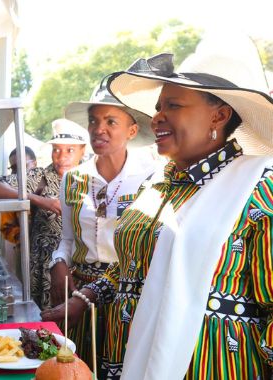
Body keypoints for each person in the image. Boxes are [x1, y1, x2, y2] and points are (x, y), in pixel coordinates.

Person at [44, 47, 273, 379]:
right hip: (128, 357)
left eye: (174, 106)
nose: (156, 118)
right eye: (158, 107)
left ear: (219, 116)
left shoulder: (258, 191)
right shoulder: (159, 185)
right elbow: (132, 265)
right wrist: (85, 296)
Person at [43, 78, 162, 370]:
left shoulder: (151, 178)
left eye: (111, 121)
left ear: (132, 131)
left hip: (129, 294)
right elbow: (68, 240)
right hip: (81, 293)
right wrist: (57, 263)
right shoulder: (74, 178)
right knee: (79, 368)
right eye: (94, 121)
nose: (99, 129)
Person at [0, 119, 88, 308]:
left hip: (82, 269)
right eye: (56, 149)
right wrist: (36, 199)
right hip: (44, 273)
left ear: (82, 151)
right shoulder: (40, 178)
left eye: (70, 150)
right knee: (49, 326)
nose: (61, 157)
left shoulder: (92, 179)